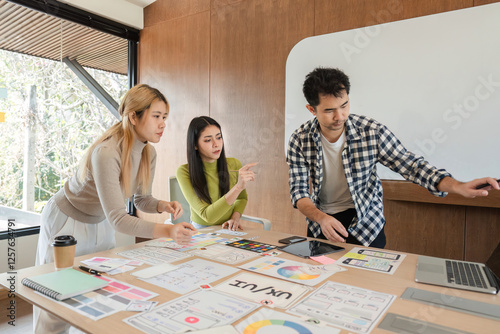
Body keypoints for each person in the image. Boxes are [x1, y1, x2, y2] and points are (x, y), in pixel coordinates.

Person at [34, 84, 196, 334]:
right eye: (156, 116)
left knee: (100, 292)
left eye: (165, 117)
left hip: (100, 220)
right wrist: (168, 230)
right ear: (134, 116)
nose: (163, 124)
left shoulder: (148, 153)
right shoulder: (107, 152)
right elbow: (119, 219)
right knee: (56, 302)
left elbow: (141, 199)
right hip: (67, 219)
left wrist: (162, 205)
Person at [286, 67, 500, 248]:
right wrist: (321, 218)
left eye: (344, 106)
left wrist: (458, 186)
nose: (340, 116)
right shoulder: (299, 139)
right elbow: (300, 193)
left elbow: (412, 166)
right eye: (329, 110)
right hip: (321, 222)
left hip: (366, 226)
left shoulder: (371, 131)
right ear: (311, 109)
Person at [176, 116, 257, 231]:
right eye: (208, 140)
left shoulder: (234, 164)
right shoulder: (184, 172)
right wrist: (238, 187)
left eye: (219, 137)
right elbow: (208, 216)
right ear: (195, 144)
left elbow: (242, 198)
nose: (216, 144)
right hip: (200, 230)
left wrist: (235, 218)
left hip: (228, 228)